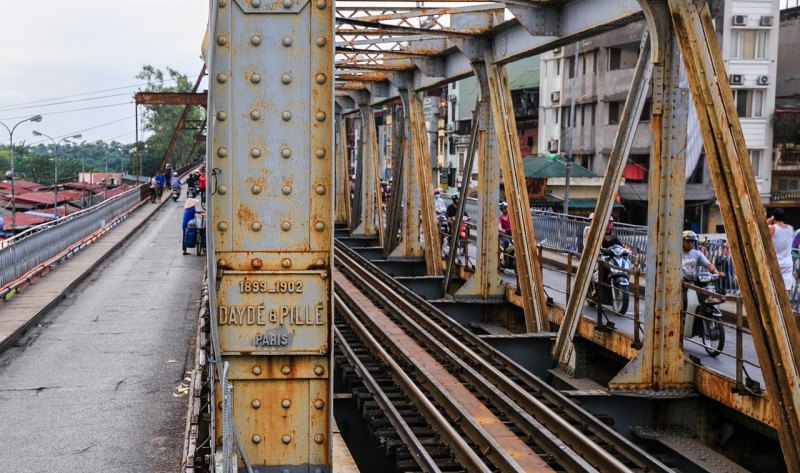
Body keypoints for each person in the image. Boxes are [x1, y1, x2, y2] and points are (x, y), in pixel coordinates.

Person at [768, 208, 795, 292]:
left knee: (773, 288)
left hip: (775, 261)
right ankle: (785, 305)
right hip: (787, 262)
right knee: (786, 288)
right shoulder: (791, 228)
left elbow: (759, 229)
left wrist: (769, 220)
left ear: (774, 217)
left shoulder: (771, 228)